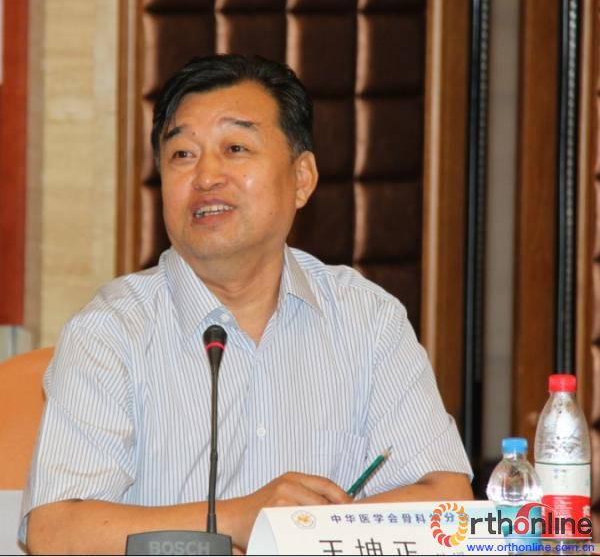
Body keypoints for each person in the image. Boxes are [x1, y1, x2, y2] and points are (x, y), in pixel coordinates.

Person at [22, 54, 473, 554]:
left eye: (235, 148)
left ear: (302, 178)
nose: (206, 176)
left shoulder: (367, 318)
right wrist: (238, 519)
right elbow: (54, 531)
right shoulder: (110, 330)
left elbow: (446, 500)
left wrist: (307, 532)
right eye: (182, 155)